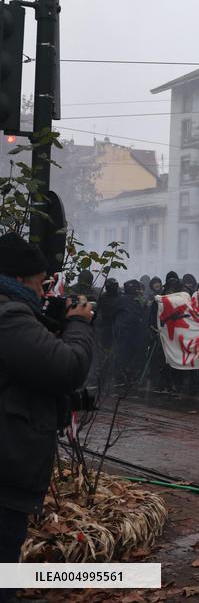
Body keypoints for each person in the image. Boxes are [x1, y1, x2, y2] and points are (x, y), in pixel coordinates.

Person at [0, 232, 94, 596]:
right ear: (21, 280)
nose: (43, 293)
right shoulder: (9, 316)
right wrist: (80, 324)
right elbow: (65, 367)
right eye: (40, 285)